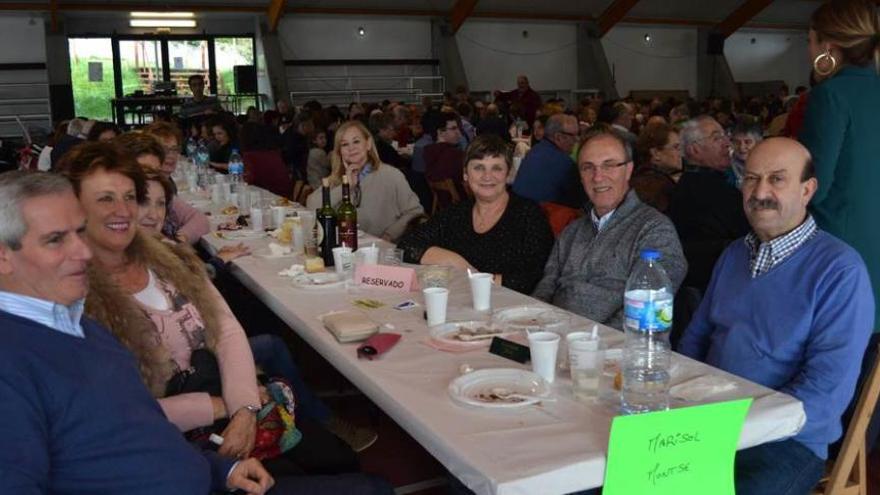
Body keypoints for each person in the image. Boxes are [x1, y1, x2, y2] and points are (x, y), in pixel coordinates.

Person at [0, 170, 278, 494]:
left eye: (78, 232)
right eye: (55, 239)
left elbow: (143, 431)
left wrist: (220, 469)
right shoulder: (12, 361)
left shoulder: (81, 328)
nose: (84, 252)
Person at [678, 138, 874, 494]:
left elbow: (824, 392)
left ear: (807, 189)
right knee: (617, 478)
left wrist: (738, 427)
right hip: (707, 420)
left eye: (777, 179)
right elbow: (696, 337)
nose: (760, 191)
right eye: (751, 179)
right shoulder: (734, 255)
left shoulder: (840, 270)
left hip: (784, 442)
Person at [798, 0, 880, 452]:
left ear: (828, 46)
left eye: (808, 41)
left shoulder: (832, 95)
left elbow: (814, 186)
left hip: (841, 254)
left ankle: (823, 459)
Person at [532, 128, 687, 329]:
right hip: (554, 339)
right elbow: (545, 289)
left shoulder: (655, 230)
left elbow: (642, 317)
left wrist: (586, 341)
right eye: (588, 168)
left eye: (609, 165)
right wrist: (535, 327)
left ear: (629, 170)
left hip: (609, 350)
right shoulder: (573, 230)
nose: (598, 177)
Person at [397, 135, 554, 294]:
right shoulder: (457, 213)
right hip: (462, 303)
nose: (487, 176)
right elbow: (407, 246)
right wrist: (458, 263)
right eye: (478, 167)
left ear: (508, 174)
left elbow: (534, 278)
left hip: (512, 308)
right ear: (465, 174)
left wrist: (476, 280)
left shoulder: (529, 215)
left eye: (496, 168)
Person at [669, 115, 750, 291]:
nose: (727, 143)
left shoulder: (692, 182)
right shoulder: (709, 190)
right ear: (694, 150)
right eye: (716, 138)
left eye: (725, 135)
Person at [307, 121, 424, 242]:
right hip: (343, 248)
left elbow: (415, 211)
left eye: (356, 141)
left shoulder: (391, 175)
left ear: (368, 144)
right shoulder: (337, 178)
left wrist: (389, 235)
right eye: (345, 144)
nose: (351, 148)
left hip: (379, 250)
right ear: (339, 151)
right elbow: (312, 207)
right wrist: (346, 187)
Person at [114, 131, 210, 245]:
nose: (152, 179)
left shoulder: (159, 196)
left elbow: (200, 219)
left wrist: (176, 243)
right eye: (142, 171)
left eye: (156, 171)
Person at [511, 113, 584, 208]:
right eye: (573, 135)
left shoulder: (534, 152)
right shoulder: (565, 165)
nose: (576, 140)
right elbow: (581, 202)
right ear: (558, 137)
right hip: (542, 218)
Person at [631, 122, 682, 213]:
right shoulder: (657, 187)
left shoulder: (642, 178)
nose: (681, 153)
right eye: (676, 147)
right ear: (656, 153)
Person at [423, 111, 467, 211]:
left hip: (443, 207)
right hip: (463, 208)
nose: (459, 133)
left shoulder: (428, 153)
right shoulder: (455, 155)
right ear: (440, 132)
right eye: (453, 129)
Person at [238, 121, 294, 198]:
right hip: (286, 194)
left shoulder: (249, 156)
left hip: (270, 197)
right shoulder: (273, 153)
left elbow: (248, 180)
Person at [728, 122, 763, 188]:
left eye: (747, 142)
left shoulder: (769, 164)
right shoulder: (726, 167)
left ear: (758, 143)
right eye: (737, 142)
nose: (742, 147)